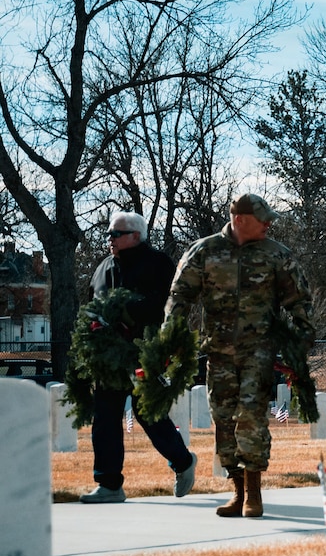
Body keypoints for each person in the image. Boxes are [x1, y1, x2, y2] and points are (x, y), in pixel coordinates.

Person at [164, 193, 312, 519]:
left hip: (258, 350)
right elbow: (180, 296)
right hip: (217, 352)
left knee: (251, 418)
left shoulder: (276, 255)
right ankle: (238, 490)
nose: (270, 224)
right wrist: (170, 337)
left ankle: (255, 494)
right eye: (264, 219)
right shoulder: (204, 252)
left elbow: (299, 300)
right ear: (241, 219)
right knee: (223, 419)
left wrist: (300, 340)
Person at [78, 212, 197, 503]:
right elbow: (92, 302)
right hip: (109, 357)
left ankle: (182, 462)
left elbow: (164, 306)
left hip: (144, 353)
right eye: (109, 234)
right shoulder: (104, 267)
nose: (110, 239)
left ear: (135, 236)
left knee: (149, 415)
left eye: (115, 234)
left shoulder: (157, 264)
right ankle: (108, 484)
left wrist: (128, 316)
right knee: (105, 417)